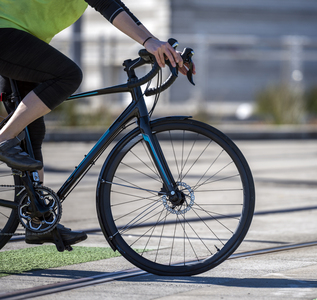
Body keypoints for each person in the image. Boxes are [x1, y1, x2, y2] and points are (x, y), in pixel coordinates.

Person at [0, 0, 195, 248]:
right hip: (5, 33)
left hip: (19, 38)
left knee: (30, 131)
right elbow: (108, 5)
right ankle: (3, 139)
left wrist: (155, 43)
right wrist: (149, 42)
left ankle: (39, 221)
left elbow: (116, 5)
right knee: (68, 75)